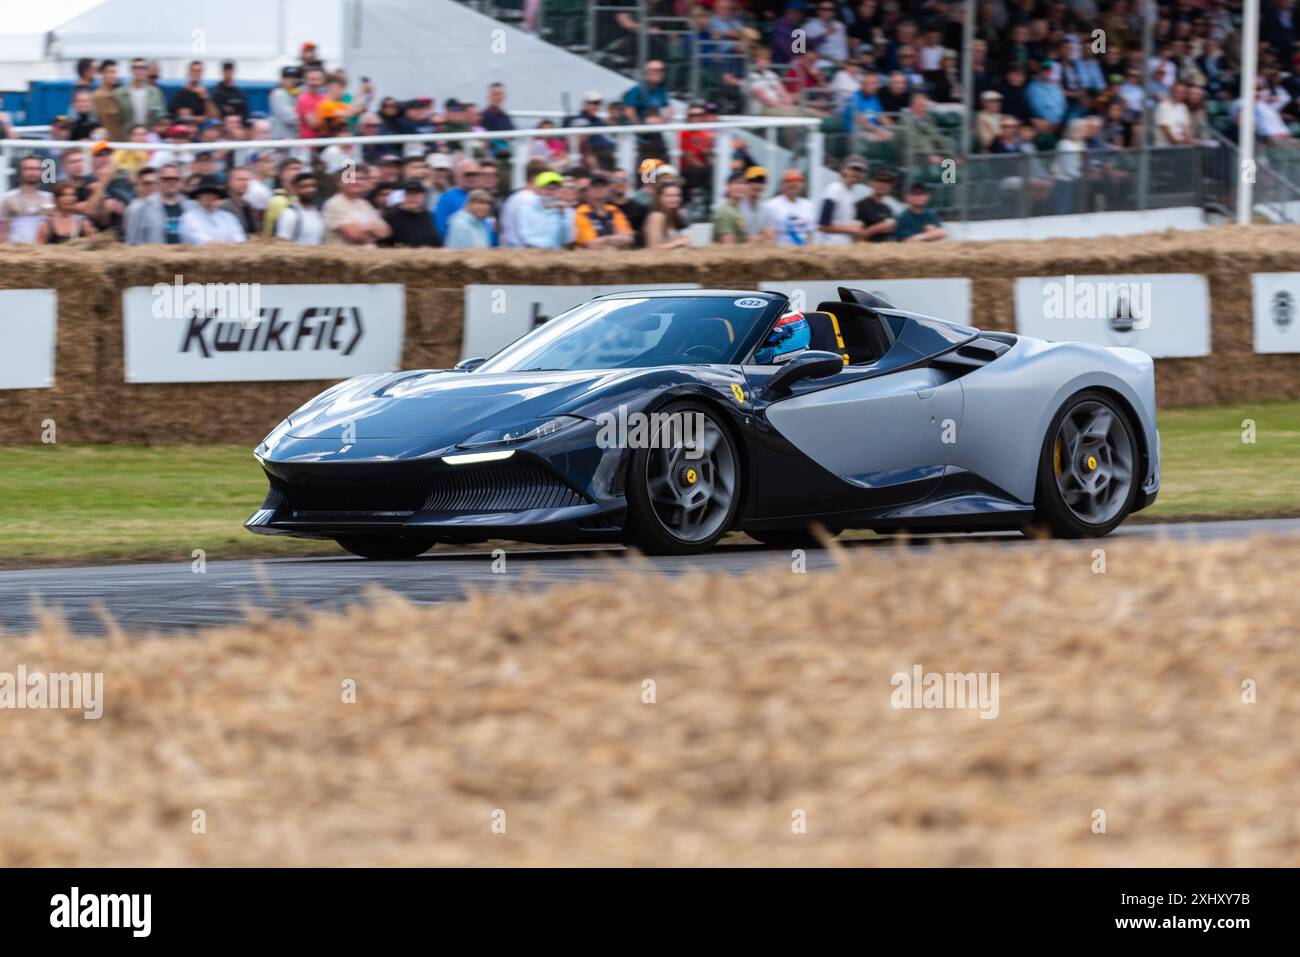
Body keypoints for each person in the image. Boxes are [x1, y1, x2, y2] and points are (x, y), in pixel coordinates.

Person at [322, 164, 391, 247]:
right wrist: (372, 228)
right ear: (339, 182)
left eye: (361, 178)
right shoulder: (334, 204)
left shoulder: (365, 204)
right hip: (345, 257)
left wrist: (362, 229)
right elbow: (355, 235)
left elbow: (385, 232)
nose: (357, 182)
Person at [0, 157, 55, 244]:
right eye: (28, 168)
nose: (33, 172)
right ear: (20, 171)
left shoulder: (49, 198)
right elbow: (3, 231)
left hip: (42, 251)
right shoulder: (8, 198)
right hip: (14, 250)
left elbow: (50, 227)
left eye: (37, 169)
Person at [816, 156, 868, 244]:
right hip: (830, 248)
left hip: (842, 249)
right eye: (854, 168)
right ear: (843, 169)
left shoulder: (849, 194)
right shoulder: (834, 189)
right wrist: (852, 229)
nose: (857, 173)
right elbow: (822, 225)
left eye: (860, 170)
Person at [179, 177, 246, 245]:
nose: (209, 196)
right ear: (198, 197)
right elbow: (202, 241)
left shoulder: (229, 217)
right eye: (205, 193)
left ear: (218, 196)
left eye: (213, 193)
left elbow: (240, 239)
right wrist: (228, 244)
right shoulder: (189, 217)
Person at [573, 174, 633, 249]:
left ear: (607, 189)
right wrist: (615, 239)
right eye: (595, 186)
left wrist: (605, 240)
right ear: (588, 190)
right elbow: (590, 244)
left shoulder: (614, 210)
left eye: (603, 186)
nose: (599, 189)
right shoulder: (581, 212)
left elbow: (628, 238)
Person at [760, 169, 816, 246]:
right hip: (781, 254)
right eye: (789, 180)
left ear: (803, 184)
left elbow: (810, 235)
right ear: (782, 184)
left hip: (804, 254)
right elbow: (768, 236)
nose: (794, 183)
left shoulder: (809, 205)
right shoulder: (771, 205)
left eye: (798, 180)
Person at [516, 171, 571, 249]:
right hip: (533, 255)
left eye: (555, 189)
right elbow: (525, 237)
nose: (551, 192)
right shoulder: (526, 209)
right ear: (538, 190)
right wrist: (546, 248)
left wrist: (563, 216)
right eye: (547, 188)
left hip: (556, 256)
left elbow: (568, 240)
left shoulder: (566, 210)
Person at [274, 172, 325, 245]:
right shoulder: (289, 214)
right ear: (295, 189)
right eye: (305, 187)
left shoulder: (317, 213)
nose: (310, 189)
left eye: (313, 186)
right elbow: (282, 243)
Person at [383, 181, 439, 247]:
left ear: (423, 196)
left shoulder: (429, 216)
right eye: (409, 194)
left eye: (417, 194)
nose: (413, 198)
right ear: (404, 196)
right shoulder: (391, 217)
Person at [117, 58, 166, 129]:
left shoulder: (155, 92)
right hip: (126, 135)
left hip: (149, 135)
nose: (139, 71)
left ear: (147, 71)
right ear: (130, 70)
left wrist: (156, 116)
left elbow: (162, 113)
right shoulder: (119, 93)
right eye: (135, 68)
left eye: (142, 68)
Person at [853, 168, 897, 242]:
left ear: (890, 186)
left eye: (887, 182)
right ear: (872, 183)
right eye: (880, 180)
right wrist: (878, 228)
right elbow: (855, 237)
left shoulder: (888, 209)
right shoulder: (860, 206)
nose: (883, 184)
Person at [642, 182, 691, 249]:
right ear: (659, 197)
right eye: (669, 196)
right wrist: (678, 242)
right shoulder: (657, 216)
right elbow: (653, 248)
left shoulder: (672, 215)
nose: (675, 199)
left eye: (678, 195)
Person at [711, 175, 751, 244]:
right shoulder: (725, 212)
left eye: (744, 183)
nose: (741, 187)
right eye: (737, 183)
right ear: (728, 187)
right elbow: (728, 247)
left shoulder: (738, 210)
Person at [92, 60, 125, 141]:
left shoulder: (120, 95)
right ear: (102, 73)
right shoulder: (95, 97)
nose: (115, 76)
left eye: (116, 72)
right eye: (111, 72)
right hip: (105, 144)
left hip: (123, 143)